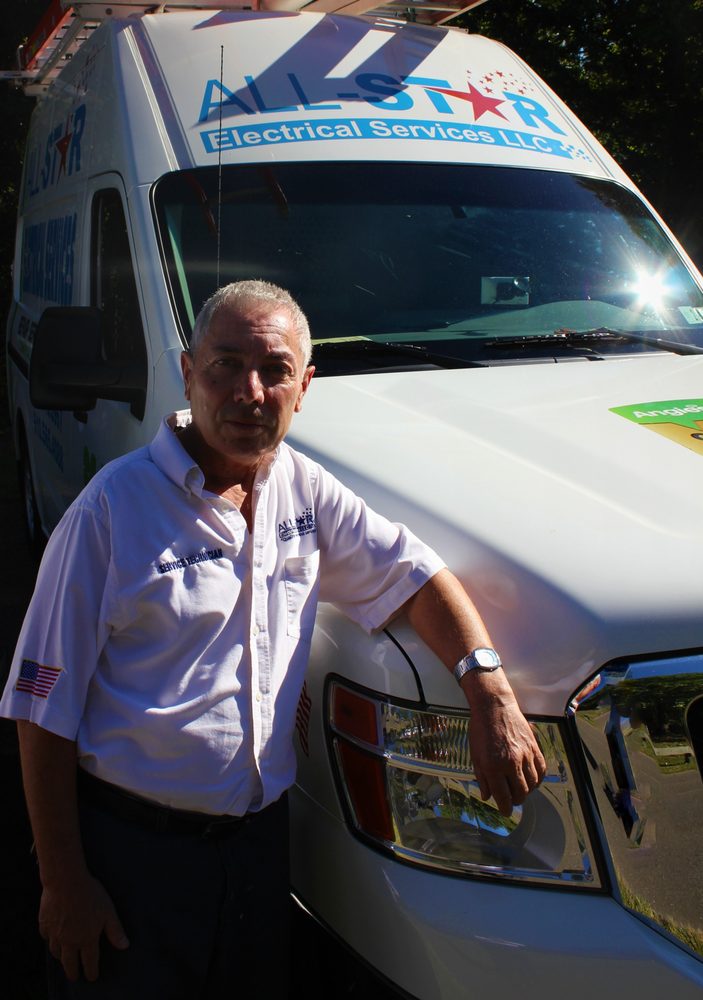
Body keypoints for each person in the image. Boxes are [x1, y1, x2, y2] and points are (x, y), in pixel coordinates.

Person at [1, 280, 546, 998]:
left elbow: (417, 577)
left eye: (275, 369)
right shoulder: (110, 510)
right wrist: (63, 882)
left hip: (257, 853)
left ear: (305, 385)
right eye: (226, 364)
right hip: (130, 857)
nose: (249, 391)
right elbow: (41, 711)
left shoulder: (303, 488)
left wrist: (489, 691)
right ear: (189, 370)